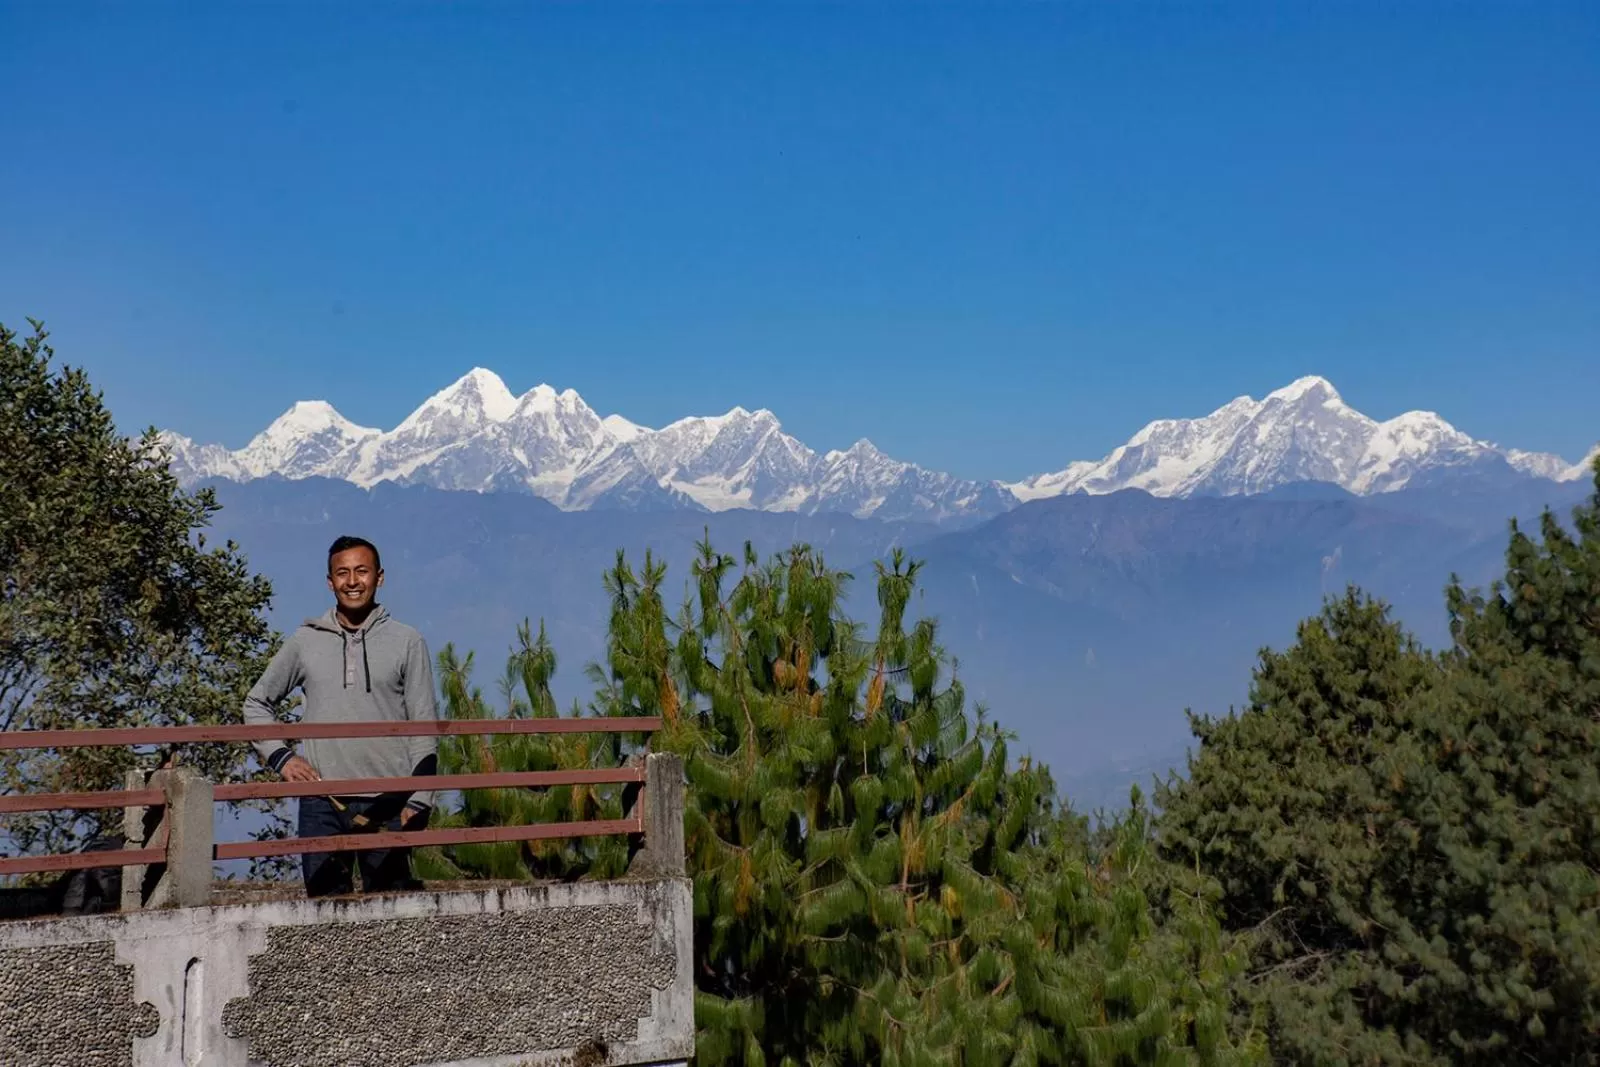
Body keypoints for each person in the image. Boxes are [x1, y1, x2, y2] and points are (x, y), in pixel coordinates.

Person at [242, 535, 439, 897]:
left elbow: (424, 723)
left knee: (391, 915)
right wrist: (282, 758)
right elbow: (256, 702)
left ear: (379, 577)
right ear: (329, 581)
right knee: (324, 916)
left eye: (361, 571)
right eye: (342, 573)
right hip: (322, 801)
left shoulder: (407, 641)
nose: (352, 581)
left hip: (391, 800)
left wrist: (421, 798)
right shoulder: (305, 641)